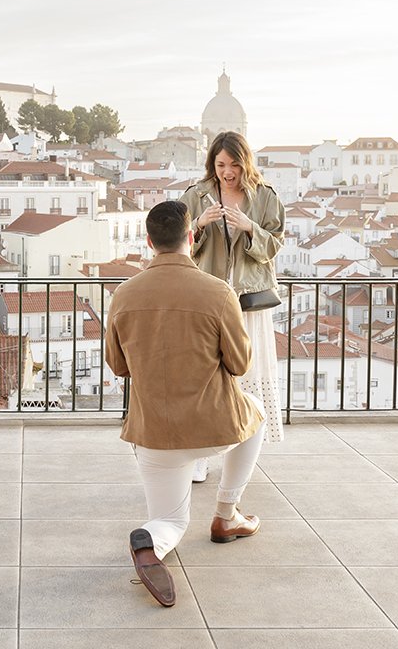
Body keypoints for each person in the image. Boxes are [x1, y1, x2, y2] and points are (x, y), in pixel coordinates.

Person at [105, 199, 266, 608]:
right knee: (257, 416)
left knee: (171, 522)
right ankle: (227, 513)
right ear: (190, 237)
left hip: (154, 433)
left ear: (148, 241)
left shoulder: (123, 295)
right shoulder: (218, 292)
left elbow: (118, 367)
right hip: (214, 429)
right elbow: (240, 363)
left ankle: (149, 541)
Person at [179, 131, 286, 484]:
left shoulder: (265, 197)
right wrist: (199, 224)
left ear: (245, 163)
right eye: (221, 164)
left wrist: (249, 227)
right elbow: (179, 242)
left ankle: (241, 450)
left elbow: (274, 245)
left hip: (250, 301)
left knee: (245, 376)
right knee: (206, 377)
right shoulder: (195, 195)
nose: (228, 172)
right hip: (207, 299)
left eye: (234, 165)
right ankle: (200, 456)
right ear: (212, 163)